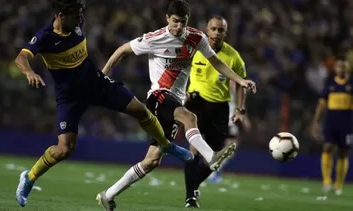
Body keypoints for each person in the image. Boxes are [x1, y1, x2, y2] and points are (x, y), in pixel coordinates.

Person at [14, 0, 193, 207]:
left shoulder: (75, 24)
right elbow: (21, 57)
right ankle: (29, 177)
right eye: (75, 15)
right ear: (61, 16)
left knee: (141, 111)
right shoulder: (45, 36)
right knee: (64, 149)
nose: (80, 19)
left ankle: (166, 144)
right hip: (70, 97)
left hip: (96, 83)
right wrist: (29, 72)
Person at [95, 1, 256, 210]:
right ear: (167, 19)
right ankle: (211, 156)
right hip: (158, 96)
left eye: (183, 22)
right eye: (175, 21)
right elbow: (121, 50)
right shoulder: (155, 38)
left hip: (175, 102)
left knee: (152, 160)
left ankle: (108, 195)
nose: (178, 26)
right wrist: (103, 76)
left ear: (188, 21)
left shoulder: (197, 38)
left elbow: (216, 62)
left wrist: (240, 80)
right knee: (190, 118)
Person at [183, 16, 249, 208]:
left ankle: (193, 185)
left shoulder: (233, 56)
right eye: (213, 29)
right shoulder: (195, 49)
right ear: (206, 29)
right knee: (194, 149)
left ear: (225, 33)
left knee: (215, 156)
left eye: (220, 30)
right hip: (197, 103)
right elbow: (181, 70)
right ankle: (190, 196)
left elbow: (240, 83)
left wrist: (241, 109)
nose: (216, 33)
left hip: (220, 108)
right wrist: (183, 92)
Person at [311, 55, 353, 196]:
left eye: (343, 66)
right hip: (331, 121)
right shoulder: (330, 84)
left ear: (347, 68)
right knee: (327, 147)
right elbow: (321, 105)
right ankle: (327, 181)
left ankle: (339, 184)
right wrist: (315, 122)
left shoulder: (351, 84)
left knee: (342, 152)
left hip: (347, 123)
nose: (340, 68)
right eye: (338, 66)